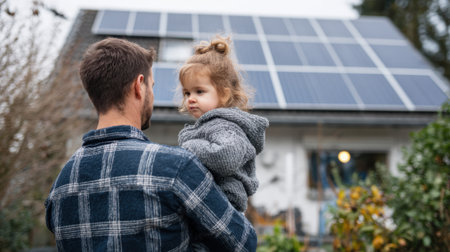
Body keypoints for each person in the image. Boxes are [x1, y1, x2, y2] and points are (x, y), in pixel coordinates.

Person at [44, 37, 257, 252]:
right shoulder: (176, 168)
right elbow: (244, 243)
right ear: (139, 86)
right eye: (152, 86)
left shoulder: (60, 188)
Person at [178, 37, 269, 213]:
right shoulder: (208, 125)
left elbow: (225, 157)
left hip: (223, 203)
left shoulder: (225, 125)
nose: (191, 98)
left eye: (199, 91)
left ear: (224, 94)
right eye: (187, 93)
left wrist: (187, 147)